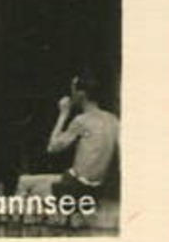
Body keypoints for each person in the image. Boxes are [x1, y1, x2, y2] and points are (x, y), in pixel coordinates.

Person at [43, 72, 120, 205]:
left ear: (81, 94)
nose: (70, 95)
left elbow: (52, 148)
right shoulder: (113, 120)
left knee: (25, 182)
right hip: (97, 187)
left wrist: (63, 114)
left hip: (76, 187)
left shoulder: (82, 121)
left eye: (72, 91)